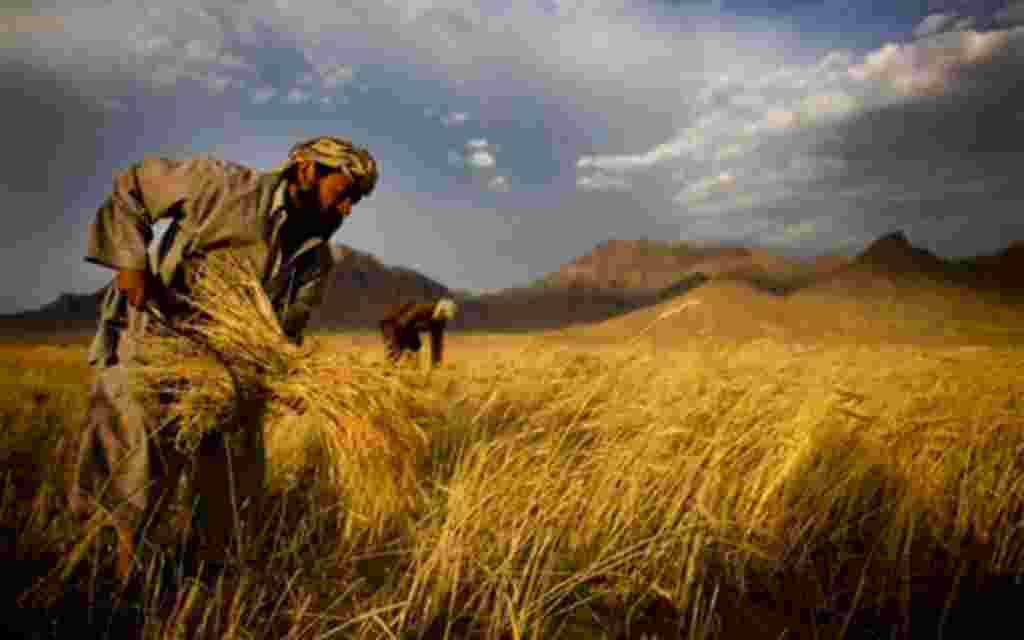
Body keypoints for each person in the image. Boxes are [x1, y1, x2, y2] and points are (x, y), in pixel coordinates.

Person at [70, 136, 378, 587]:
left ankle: (206, 589)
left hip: (230, 378)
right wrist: (131, 264)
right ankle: (115, 591)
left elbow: (284, 335)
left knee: (232, 490)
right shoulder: (222, 187)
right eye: (344, 192)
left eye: (357, 200)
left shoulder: (314, 260)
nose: (348, 209)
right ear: (309, 171)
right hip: (155, 347)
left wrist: (291, 378)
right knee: (131, 479)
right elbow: (134, 186)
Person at [379, 298, 458, 367]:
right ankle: (387, 369)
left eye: (446, 318)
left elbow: (437, 342)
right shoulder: (422, 309)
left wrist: (436, 363)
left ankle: (406, 367)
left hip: (407, 328)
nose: (444, 319)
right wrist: (400, 349)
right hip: (392, 324)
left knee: (414, 348)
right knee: (399, 353)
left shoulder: (439, 321)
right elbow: (401, 325)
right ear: (440, 310)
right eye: (443, 316)